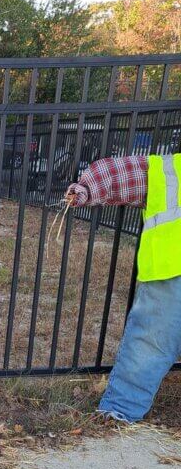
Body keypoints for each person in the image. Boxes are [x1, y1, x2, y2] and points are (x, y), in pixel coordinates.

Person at [65, 152, 181, 422]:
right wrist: (85, 188)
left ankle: (119, 412)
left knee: (150, 343)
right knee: (150, 344)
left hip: (168, 271)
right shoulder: (170, 169)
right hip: (170, 273)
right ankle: (119, 412)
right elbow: (123, 173)